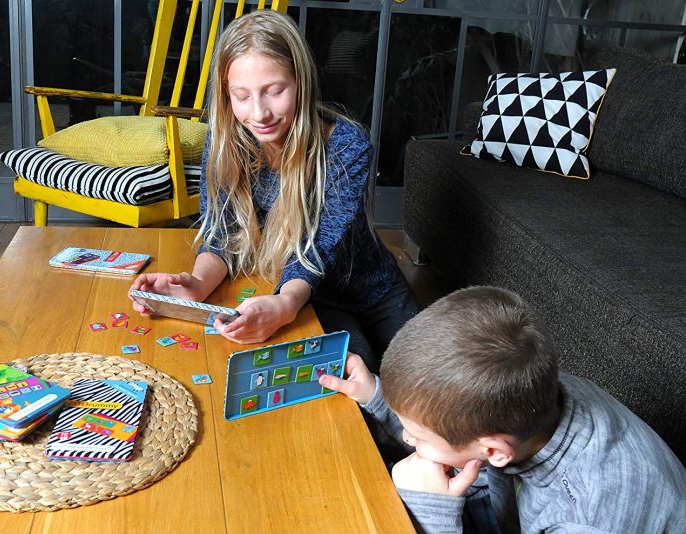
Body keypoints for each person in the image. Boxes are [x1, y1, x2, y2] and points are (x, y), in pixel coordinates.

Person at [129, 10, 418, 373]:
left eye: (275, 91)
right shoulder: (225, 143)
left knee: (434, 387)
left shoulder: (347, 146)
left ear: (301, 82)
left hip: (375, 292)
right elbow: (223, 232)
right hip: (312, 300)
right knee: (360, 392)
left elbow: (317, 246)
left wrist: (283, 303)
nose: (259, 113)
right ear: (225, 94)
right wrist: (197, 286)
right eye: (241, 96)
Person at [319, 286, 686, 533]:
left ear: (495, 450)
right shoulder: (534, 396)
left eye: (418, 436)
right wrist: (377, 397)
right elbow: (470, 451)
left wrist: (434, 516)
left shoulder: (584, 517)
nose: (407, 437)